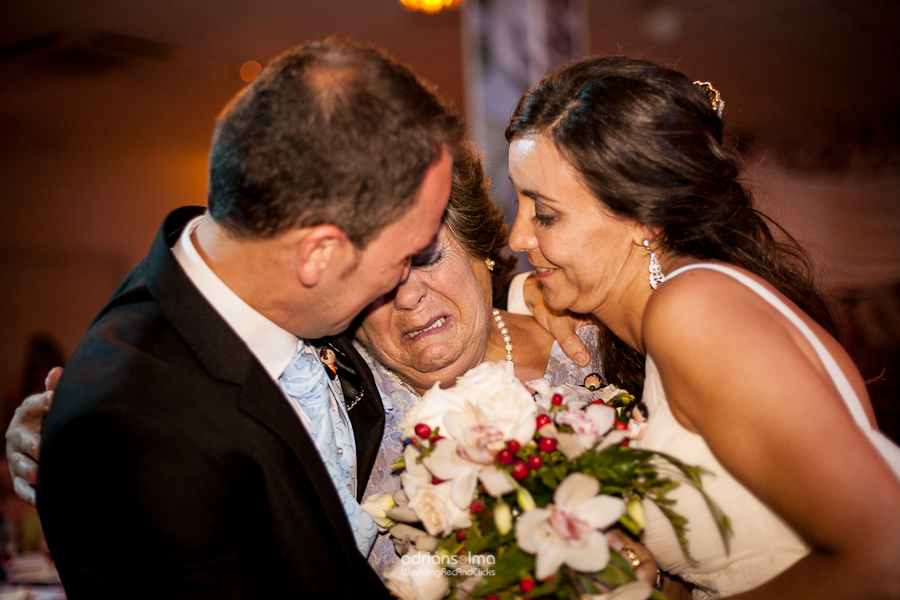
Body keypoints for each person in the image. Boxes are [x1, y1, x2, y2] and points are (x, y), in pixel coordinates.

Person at [24, 39, 462, 598]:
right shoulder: (138, 430)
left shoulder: (282, 300)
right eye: (407, 256)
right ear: (318, 255)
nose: (406, 286)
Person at [505, 55, 900, 599]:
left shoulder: (693, 310)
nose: (518, 238)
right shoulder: (679, 315)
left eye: (544, 213)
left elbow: (886, 557)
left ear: (643, 215)